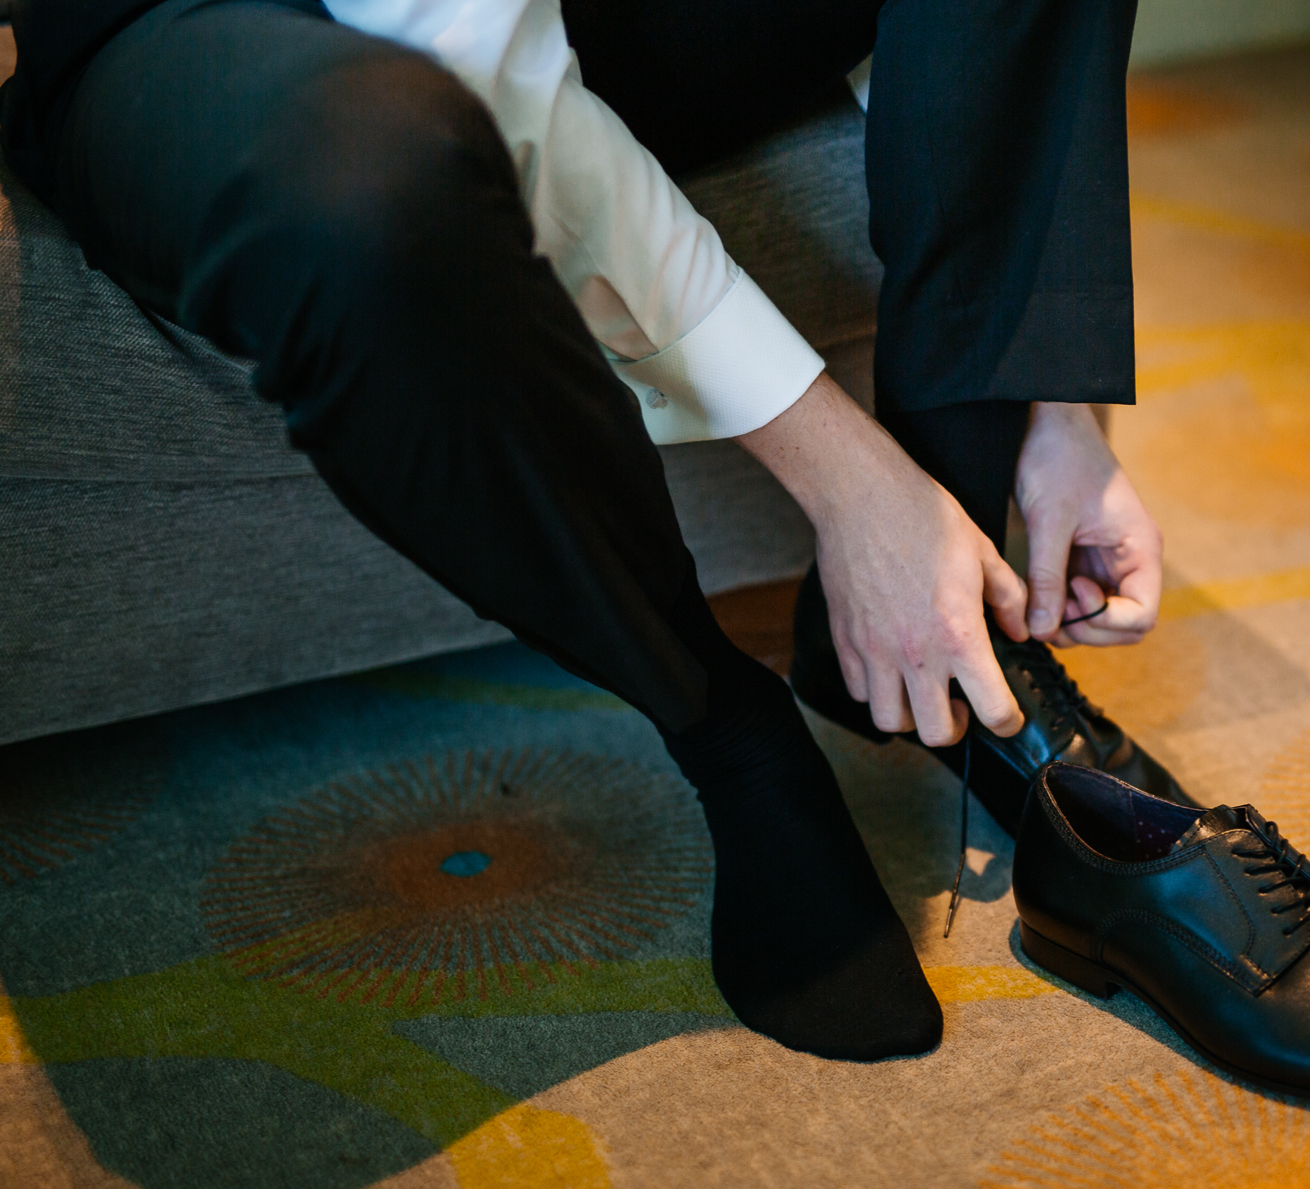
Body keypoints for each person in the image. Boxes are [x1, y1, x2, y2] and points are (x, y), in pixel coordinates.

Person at [2, 0, 1198, 1062]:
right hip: (208, 31)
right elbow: (493, 80)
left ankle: (928, 607)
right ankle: (729, 729)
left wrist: (1050, 403)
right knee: (371, 191)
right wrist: (852, 483)